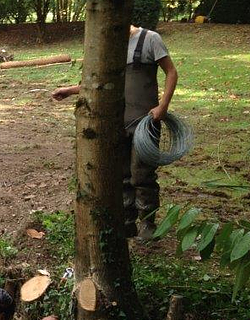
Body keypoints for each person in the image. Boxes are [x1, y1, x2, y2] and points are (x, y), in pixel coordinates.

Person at [51, 24, 179, 240]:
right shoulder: (109, 45)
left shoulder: (150, 39)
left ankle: (147, 223)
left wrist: (163, 106)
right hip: (116, 124)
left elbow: (171, 72)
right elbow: (98, 83)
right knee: (122, 175)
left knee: (142, 175)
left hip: (145, 123)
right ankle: (127, 222)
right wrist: (70, 91)